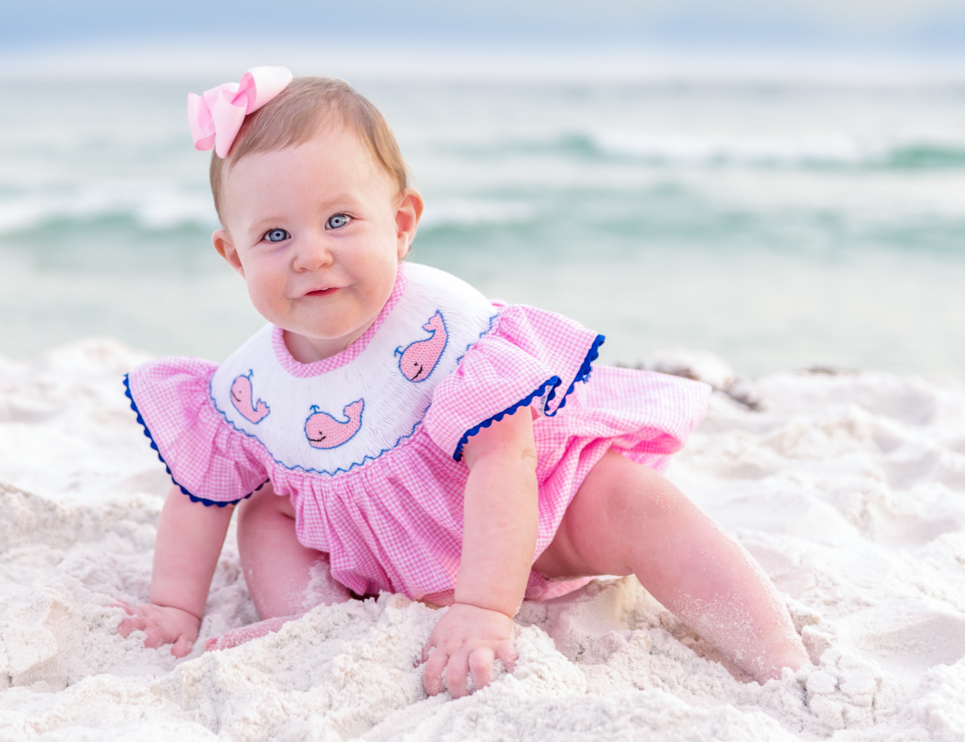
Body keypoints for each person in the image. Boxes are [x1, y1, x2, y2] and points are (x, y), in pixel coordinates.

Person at [116, 69, 807, 698]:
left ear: (402, 222)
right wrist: (174, 604)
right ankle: (309, 621)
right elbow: (197, 492)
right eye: (273, 235)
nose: (312, 253)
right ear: (233, 256)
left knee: (632, 498)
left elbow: (506, 458)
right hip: (384, 557)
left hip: (528, 521)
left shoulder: (446, 325)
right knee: (262, 508)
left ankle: (783, 659)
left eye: (338, 220)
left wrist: (484, 606)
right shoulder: (249, 386)